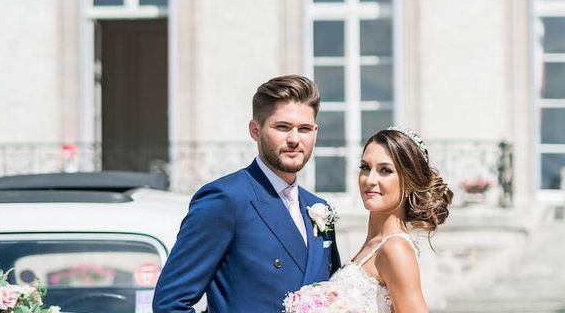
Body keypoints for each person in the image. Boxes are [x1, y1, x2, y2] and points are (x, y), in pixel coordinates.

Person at [152, 74, 341, 313]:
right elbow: (170, 304)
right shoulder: (225, 199)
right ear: (255, 130)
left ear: (315, 132)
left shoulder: (318, 208)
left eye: (304, 129)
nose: (294, 139)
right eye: (282, 127)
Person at [286, 126, 453, 313]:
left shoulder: (395, 248)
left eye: (385, 170)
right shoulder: (374, 244)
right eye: (365, 167)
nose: (369, 179)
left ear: (409, 182)